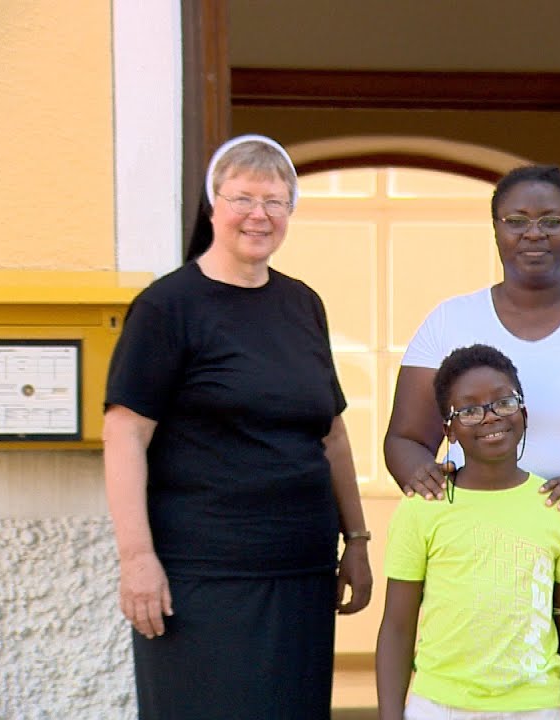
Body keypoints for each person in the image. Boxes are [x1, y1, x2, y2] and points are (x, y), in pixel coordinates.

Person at [103, 134, 373, 719]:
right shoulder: (167, 307)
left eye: (275, 201)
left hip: (301, 571)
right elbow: (125, 434)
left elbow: (331, 434)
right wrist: (136, 558)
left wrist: (356, 540)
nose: (259, 215)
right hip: (203, 576)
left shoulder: (303, 304)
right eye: (243, 198)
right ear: (213, 205)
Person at [384, 164, 560, 505]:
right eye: (516, 221)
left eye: (551, 221)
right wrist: (433, 490)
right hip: (477, 524)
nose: (534, 233)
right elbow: (406, 440)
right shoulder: (449, 320)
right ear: (496, 230)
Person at [376, 344, 560, 720]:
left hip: (536, 707)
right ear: (449, 430)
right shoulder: (423, 506)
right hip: (439, 707)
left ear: (523, 413)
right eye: (469, 410)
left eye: (503, 403)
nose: (490, 416)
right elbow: (397, 625)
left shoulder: (558, 507)